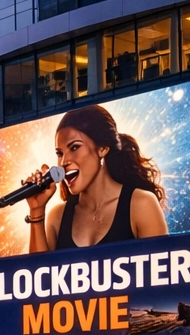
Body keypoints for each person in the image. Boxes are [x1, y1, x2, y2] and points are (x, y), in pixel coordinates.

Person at [22, 103, 168, 253]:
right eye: (59, 154)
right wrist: (37, 210)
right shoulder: (58, 217)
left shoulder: (141, 204)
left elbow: (163, 272)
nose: (63, 162)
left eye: (74, 148)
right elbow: (39, 274)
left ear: (102, 148)